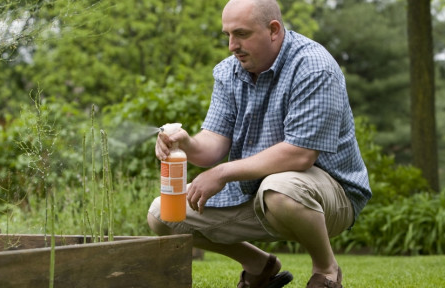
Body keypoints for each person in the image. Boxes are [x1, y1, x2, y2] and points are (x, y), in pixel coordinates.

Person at [148, 0, 372, 287]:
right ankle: (259, 266)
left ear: (274, 30)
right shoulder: (228, 72)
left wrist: (222, 172)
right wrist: (187, 143)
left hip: (329, 197)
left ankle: (326, 270)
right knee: (163, 214)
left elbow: (300, 154)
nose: (231, 45)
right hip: (258, 192)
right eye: (227, 35)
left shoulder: (314, 67)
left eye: (241, 34)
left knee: (279, 190)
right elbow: (214, 144)